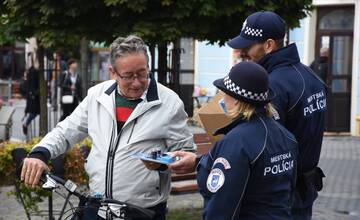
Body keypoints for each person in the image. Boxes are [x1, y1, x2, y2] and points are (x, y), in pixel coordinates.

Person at [21, 35, 195, 220]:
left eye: (142, 73)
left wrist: (165, 164)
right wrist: (40, 153)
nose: (136, 82)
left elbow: (185, 152)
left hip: (142, 211)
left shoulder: (169, 102)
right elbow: (66, 131)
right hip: (97, 206)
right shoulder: (97, 95)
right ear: (112, 72)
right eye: (128, 76)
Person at [226, 11, 327, 220]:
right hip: (303, 192)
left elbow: (257, 143)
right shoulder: (311, 76)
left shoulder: (271, 86)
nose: (242, 51)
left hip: (278, 197)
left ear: (269, 45)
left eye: (248, 46)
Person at [199, 61, 298, 219]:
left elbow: (222, 207)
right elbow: (289, 193)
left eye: (225, 93)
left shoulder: (235, 142)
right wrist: (198, 161)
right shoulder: (286, 136)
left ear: (237, 100)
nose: (222, 99)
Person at [22, 53, 40, 135]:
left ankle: (25, 122)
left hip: (34, 95)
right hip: (33, 96)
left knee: (35, 112)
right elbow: (30, 84)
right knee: (34, 112)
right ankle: (25, 123)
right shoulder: (32, 71)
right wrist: (34, 93)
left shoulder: (32, 71)